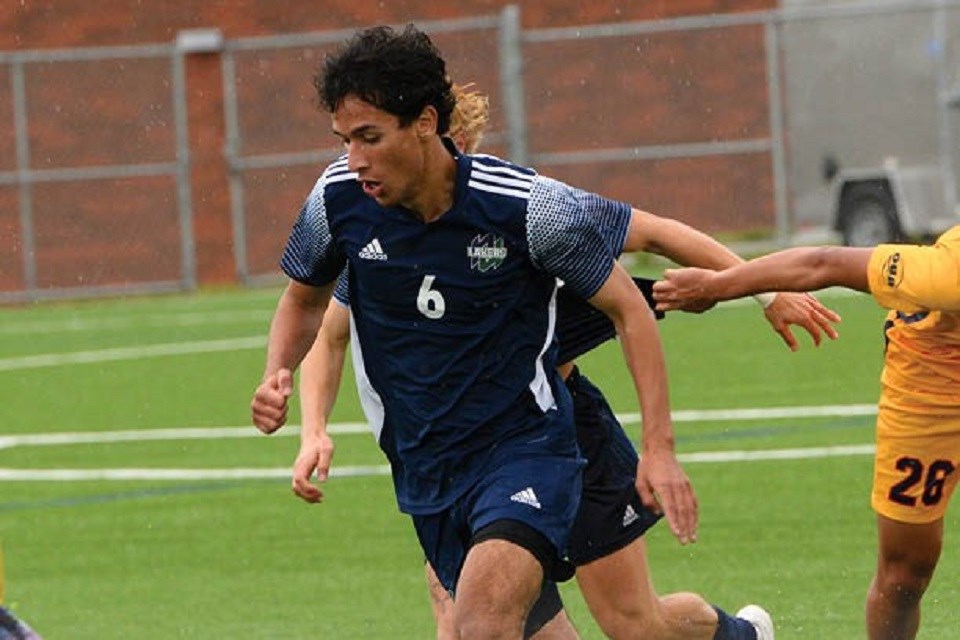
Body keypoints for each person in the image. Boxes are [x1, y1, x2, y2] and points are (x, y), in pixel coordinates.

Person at [272, 67, 837, 638]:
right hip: (447, 456)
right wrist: (312, 426)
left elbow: (657, 236)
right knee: (464, 612)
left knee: (634, 625)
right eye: (351, 142)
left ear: (437, 137)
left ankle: (739, 635)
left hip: (558, 436)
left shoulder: (526, 211)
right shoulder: (373, 238)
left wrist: (764, 290)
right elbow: (330, 328)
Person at [251, 24, 699, 639]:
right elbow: (305, 302)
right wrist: (278, 372)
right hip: (426, 470)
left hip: (524, 452)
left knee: (487, 623)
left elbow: (630, 308)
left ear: (427, 122)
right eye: (344, 140)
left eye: (370, 138)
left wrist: (659, 448)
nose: (354, 160)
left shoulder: (527, 208)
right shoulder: (337, 200)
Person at [652, 226, 960, 640]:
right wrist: (717, 285)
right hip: (933, 390)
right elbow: (825, 262)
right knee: (906, 571)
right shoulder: (947, 272)